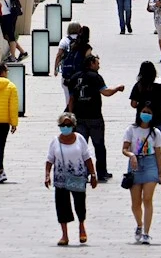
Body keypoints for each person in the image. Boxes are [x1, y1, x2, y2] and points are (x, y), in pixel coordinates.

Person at [68, 54, 125, 182]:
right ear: (91, 64)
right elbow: (106, 92)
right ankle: (101, 172)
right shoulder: (96, 77)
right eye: (97, 63)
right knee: (99, 146)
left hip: (79, 118)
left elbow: (71, 99)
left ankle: (81, 172)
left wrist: (71, 116)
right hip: (94, 118)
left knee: (80, 147)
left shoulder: (74, 77)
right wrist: (117, 88)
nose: (99, 65)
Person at [45, 112, 98, 246]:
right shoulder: (55, 141)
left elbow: (87, 157)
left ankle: (81, 227)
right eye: (62, 125)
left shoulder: (80, 138)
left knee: (80, 204)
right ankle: (64, 235)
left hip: (78, 176)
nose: (65, 127)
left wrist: (93, 174)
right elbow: (50, 159)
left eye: (68, 125)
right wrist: (47, 175)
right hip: (61, 179)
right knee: (62, 206)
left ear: (73, 125)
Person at [123, 103, 161, 245]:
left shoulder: (155, 133)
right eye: (144, 111)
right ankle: (139, 225)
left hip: (150, 164)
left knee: (147, 198)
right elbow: (124, 148)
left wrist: (159, 173)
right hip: (135, 164)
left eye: (149, 112)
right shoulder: (131, 129)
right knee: (136, 202)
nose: (146, 114)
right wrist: (131, 155)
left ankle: (146, 233)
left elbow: (159, 154)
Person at [129, 61, 161, 133]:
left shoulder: (138, 86)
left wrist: (142, 105)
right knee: (156, 141)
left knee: (143, 142)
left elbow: (133, 104)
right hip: (159, 119)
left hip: (142, 119)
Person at [55, 24, 91, 107]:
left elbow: (59, 55)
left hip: (67, 73)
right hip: (80, 73)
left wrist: (56, 69)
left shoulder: (64, 40)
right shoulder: (82, 41)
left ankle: (69, 113)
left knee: (68, 98)